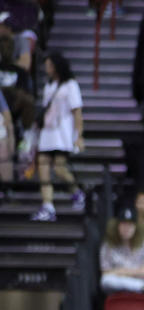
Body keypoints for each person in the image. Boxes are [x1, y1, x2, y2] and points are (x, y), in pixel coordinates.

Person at [30, 52, 84, 222]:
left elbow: (77, 112)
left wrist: (79, 136)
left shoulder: (71, 85)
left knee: (60, 169)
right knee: (43, 168)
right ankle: (48, 206)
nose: (47, 69)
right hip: (47, 133)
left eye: (49, 65)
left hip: (63, 134)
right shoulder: (49, 86)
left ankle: (77, 192)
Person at [99, 208, 144, 296]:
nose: (126, 228)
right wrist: (133, 273)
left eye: (130, 224)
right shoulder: (108, 245)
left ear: (136, 226)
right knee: (106, 281)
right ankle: (141, 287)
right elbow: (105, 273)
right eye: (123, 224)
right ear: (116, 226)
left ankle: (141, 287)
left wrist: (119, 272)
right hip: (121, 287)